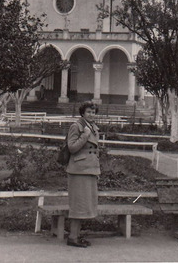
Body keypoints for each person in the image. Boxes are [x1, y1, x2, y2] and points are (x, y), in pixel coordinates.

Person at [66, 101, 100, 248]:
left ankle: (76, 236)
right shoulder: (77, 126)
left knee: (85, 205)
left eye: (93, 112)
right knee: (78, 205)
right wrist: (85, 136)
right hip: (79, 170)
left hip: (89, 170)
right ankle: (73, 237)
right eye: (88, 112)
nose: (91, 114)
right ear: (82, 113)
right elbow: (72, 147)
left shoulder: (92, 127)